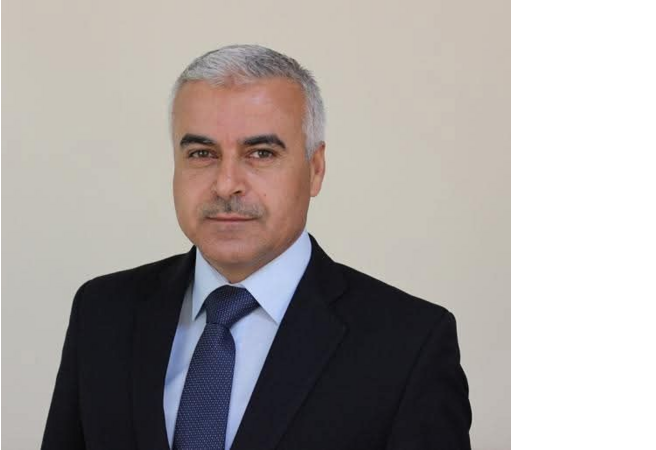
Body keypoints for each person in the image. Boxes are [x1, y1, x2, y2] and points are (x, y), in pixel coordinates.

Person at [41, 44, 472, 450]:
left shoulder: (408, 344)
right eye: (202, 153)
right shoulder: (103, 312)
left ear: (315, 169)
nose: (226, 184)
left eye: (261, 153)